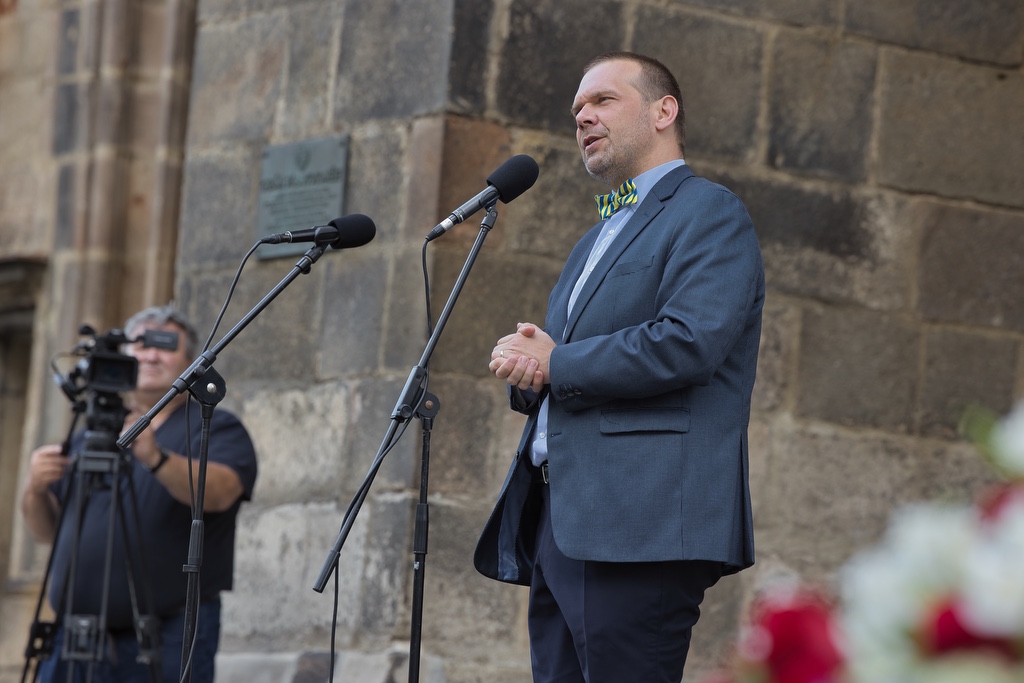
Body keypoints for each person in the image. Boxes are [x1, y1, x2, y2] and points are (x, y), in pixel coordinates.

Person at [474, 52, 765, 682]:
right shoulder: (593, 239)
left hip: (641, 517)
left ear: (665, 111)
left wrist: (558, 361)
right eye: (577, 107)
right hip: (564, 520)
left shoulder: (708, 211)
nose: (582, 116)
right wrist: (528, 365)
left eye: (603, 100)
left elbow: (689, 341)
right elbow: (566, 369)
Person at [20, 304, 258, 683]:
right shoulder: (90, 433)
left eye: (165, 346)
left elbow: (221, 492)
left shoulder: (212, 424)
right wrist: (34, 487)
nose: (150, 355)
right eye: (141, 345)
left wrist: (157, 458)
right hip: (75, 637)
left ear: (191, 361)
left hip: (165, 632)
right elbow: (48, 533)